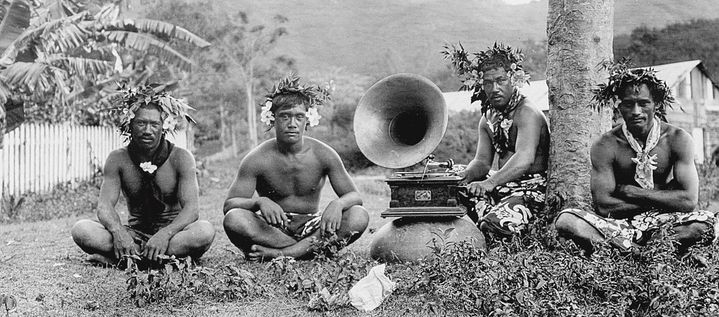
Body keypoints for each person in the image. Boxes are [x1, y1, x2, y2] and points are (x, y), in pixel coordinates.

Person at [554, 61, 718, 254]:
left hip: (663, 223)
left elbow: (689, 201)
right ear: (619, 106)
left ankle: (627, 249)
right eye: (629, 104)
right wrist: (664, 196)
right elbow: (604, 206)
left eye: (643, 103)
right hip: (617, 225)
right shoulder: (606, 145)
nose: (636, 112)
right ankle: (638, 252)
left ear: (656, 104)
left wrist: (634, 192)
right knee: (567, 220)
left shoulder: (677, 139)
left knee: (704, 224)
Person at [223, 75, 369, 261]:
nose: (292, 124)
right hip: (273, 230)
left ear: (307, 121)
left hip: (314, 228)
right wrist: (259, 202)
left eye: (299, 117)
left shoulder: (323, 153)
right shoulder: (256, 159)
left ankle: (282, 254)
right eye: (285, 116)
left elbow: (355, 197)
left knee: (358, 215)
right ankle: (308, 251)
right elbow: (229, 205)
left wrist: (337, 204)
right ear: (272, 119)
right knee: (234, 218)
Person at [71, 84, 215, 265]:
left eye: (154, 124)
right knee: (82, 229)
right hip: (134, 235)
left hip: (173, 235)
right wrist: (119, 232)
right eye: (141, 123)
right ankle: (157, 260)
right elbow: (104, 206)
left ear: (163, 126)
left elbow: (192, 210)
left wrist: (165, 234)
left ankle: (127, 259)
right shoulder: (117, 159)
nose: (148, 130)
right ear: (129, 124)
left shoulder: (181, 157)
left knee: (204, 231)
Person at [443, 42, 550, 237]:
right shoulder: (488, 116)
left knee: (494, 225)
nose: (494, 88)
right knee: (451, 177)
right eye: (488, 83)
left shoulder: (527, 113)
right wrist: (463, 178)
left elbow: (524, 159)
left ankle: (493, 223)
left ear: (514, 79)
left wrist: (488, 184)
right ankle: (488, 218)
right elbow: (482, 162)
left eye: (501, 80)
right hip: (500, 185)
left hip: (531, 188)